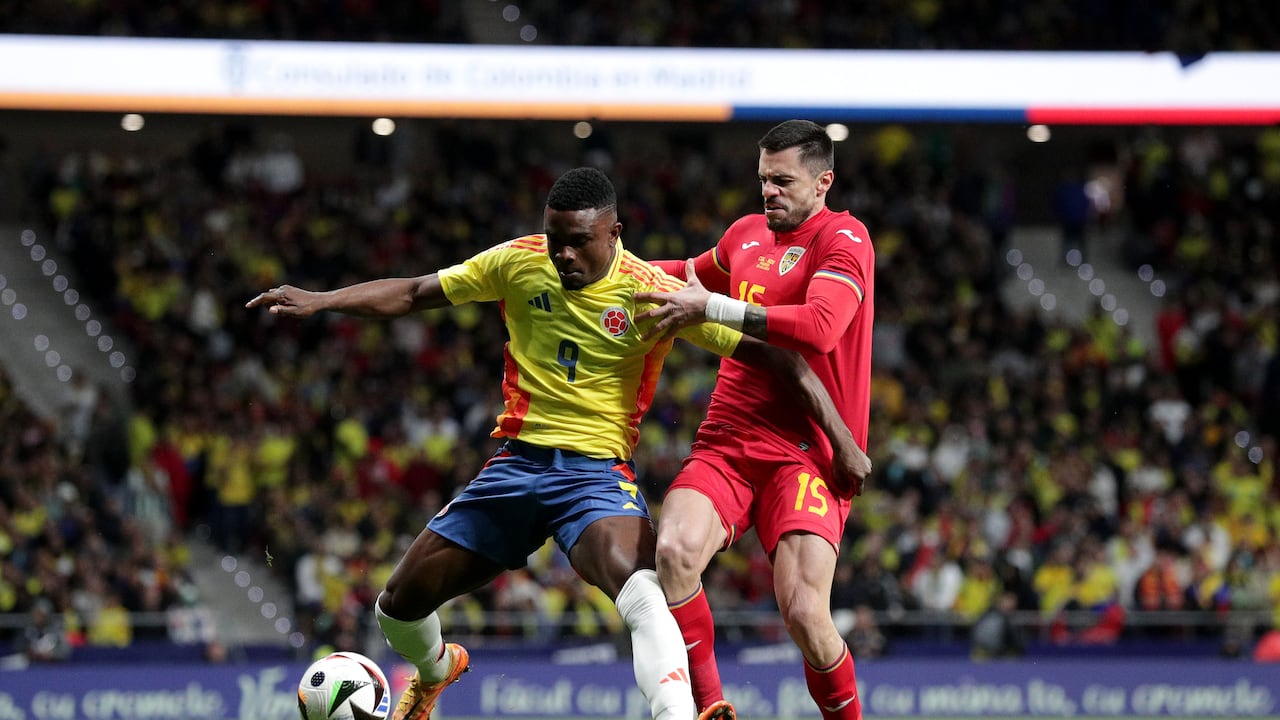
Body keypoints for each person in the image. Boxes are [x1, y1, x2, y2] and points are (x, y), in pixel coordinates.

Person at [247, 167, 864, 720]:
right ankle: (436, 673)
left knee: (645, 593)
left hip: (594, 480)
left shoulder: (650, 293)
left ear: (614, 232)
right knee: (395, 610)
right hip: (514, 468)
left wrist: (841, 439)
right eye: (555, 239)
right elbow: (414, 292)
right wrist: (324, 301)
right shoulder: (517, 262)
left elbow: (785, 362)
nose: (564, 254)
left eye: (579, 242)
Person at [634, 119, 875, 719]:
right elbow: (680, 277)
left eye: (783, 181)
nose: (769, 192)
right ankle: (711, 708)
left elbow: (820, 327)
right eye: (764, 180)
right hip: (730, 434)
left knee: (803, 611)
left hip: (809, 447)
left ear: (824, 182)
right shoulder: (745, 234)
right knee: (674, 552)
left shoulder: (844, 238)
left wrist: (712, 306)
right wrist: (605, 265)